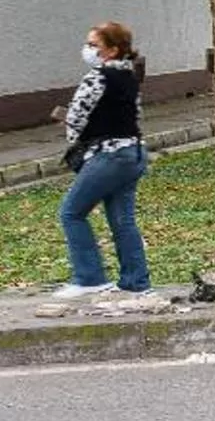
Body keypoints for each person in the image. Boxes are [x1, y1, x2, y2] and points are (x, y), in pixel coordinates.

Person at [53, 21, 151, 302]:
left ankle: (90, 278)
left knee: (71, 213)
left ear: (112, 50)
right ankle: (136, 281)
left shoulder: (97, 77)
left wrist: (75, 141)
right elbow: (135, 114)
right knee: (123, 221)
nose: (88, 49)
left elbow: (76, 117)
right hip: (134, 153)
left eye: (94, 44)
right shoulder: (129, 77)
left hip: (108, 155)